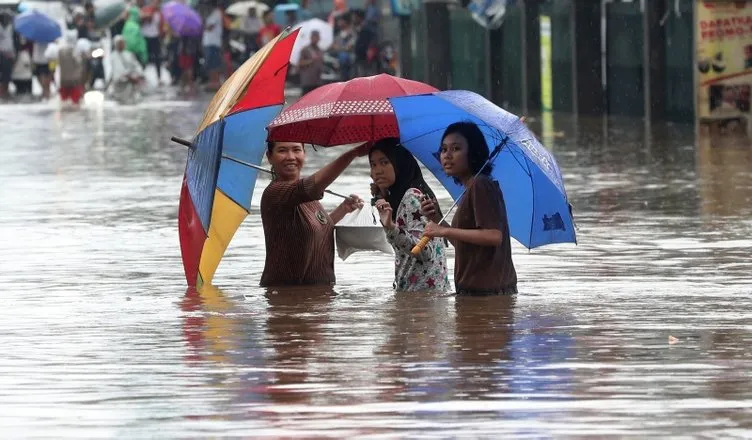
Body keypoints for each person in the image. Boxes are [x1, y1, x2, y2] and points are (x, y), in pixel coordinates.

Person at [420, 122, 517, 295]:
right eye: (443, 149)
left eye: (456, 149)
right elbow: (465, 246)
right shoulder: (472, 188)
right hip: (474, 294)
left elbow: (494, 236)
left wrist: (444, 231)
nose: (447, 155)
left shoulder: (481, 185)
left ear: (472, 152)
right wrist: (437, 218)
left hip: (487, 297)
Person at [260, 141, 368, 287]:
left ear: (305, 154)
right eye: (282, 150)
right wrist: (351, 154)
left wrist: (343, 209)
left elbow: (320, 227)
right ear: (269, 157)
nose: (291, 156)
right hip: (288, 296)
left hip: (318, 294)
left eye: (297, 150)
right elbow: (312, 186)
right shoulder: (275, 193)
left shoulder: (307, 197)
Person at [369, 138, 450, 292]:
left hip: (422, 301)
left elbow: (424, 251)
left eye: (384, 162)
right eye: (373, 165)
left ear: (399, 163)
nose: (378, 170)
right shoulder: (401, 196)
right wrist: (382, 196)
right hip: (424, 296)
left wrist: (391, 228)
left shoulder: (412, 197)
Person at [109, 35, 144, 99]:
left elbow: (136, 66)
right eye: (119, 43)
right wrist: (126, 76)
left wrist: (139, 75)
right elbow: (114, 72)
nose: (121, 45)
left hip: (131, 82)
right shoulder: (112, 57)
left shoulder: (129, 54)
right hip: (119, 83)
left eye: (122, 43)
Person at [56, 30, 85, 105]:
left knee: (64, 102)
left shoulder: (60, 51)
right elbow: (79, 66)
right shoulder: (76, 52)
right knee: (75, 103)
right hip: (74, 82)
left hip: (63, 81)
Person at [203, 0, 224, 90]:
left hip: (214, 43)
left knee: (214, 63)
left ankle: (216, 82)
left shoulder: (216, 13)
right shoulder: (211, 14)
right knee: (210, 63)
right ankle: (212, 82)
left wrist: (202, 23)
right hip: (208, 43)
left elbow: (209, 27)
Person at [140, 0, 163, 82]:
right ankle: (141, 75)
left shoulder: (159, 13)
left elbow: (160, 25)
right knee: (145, 57)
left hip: (155, 37)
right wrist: (147, 17)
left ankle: (159, 77)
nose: (156, 4)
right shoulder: (145, 10)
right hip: (146, 37)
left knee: (158, 58)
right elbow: (140, 22)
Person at [298, 30, 323, 95]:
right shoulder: (305, 49)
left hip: (317, 81)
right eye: (314, 37)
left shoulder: (320, 50)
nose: (316, 39)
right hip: (307, 81)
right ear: (311, 37)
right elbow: (300, 63)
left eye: (317, 37)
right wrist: (311, 60)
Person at [0, 12, 14, 100]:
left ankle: (5, 91)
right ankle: (2, 92)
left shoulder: (11, 28)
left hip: (9, 54)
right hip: (1, 53)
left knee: (7, 74)